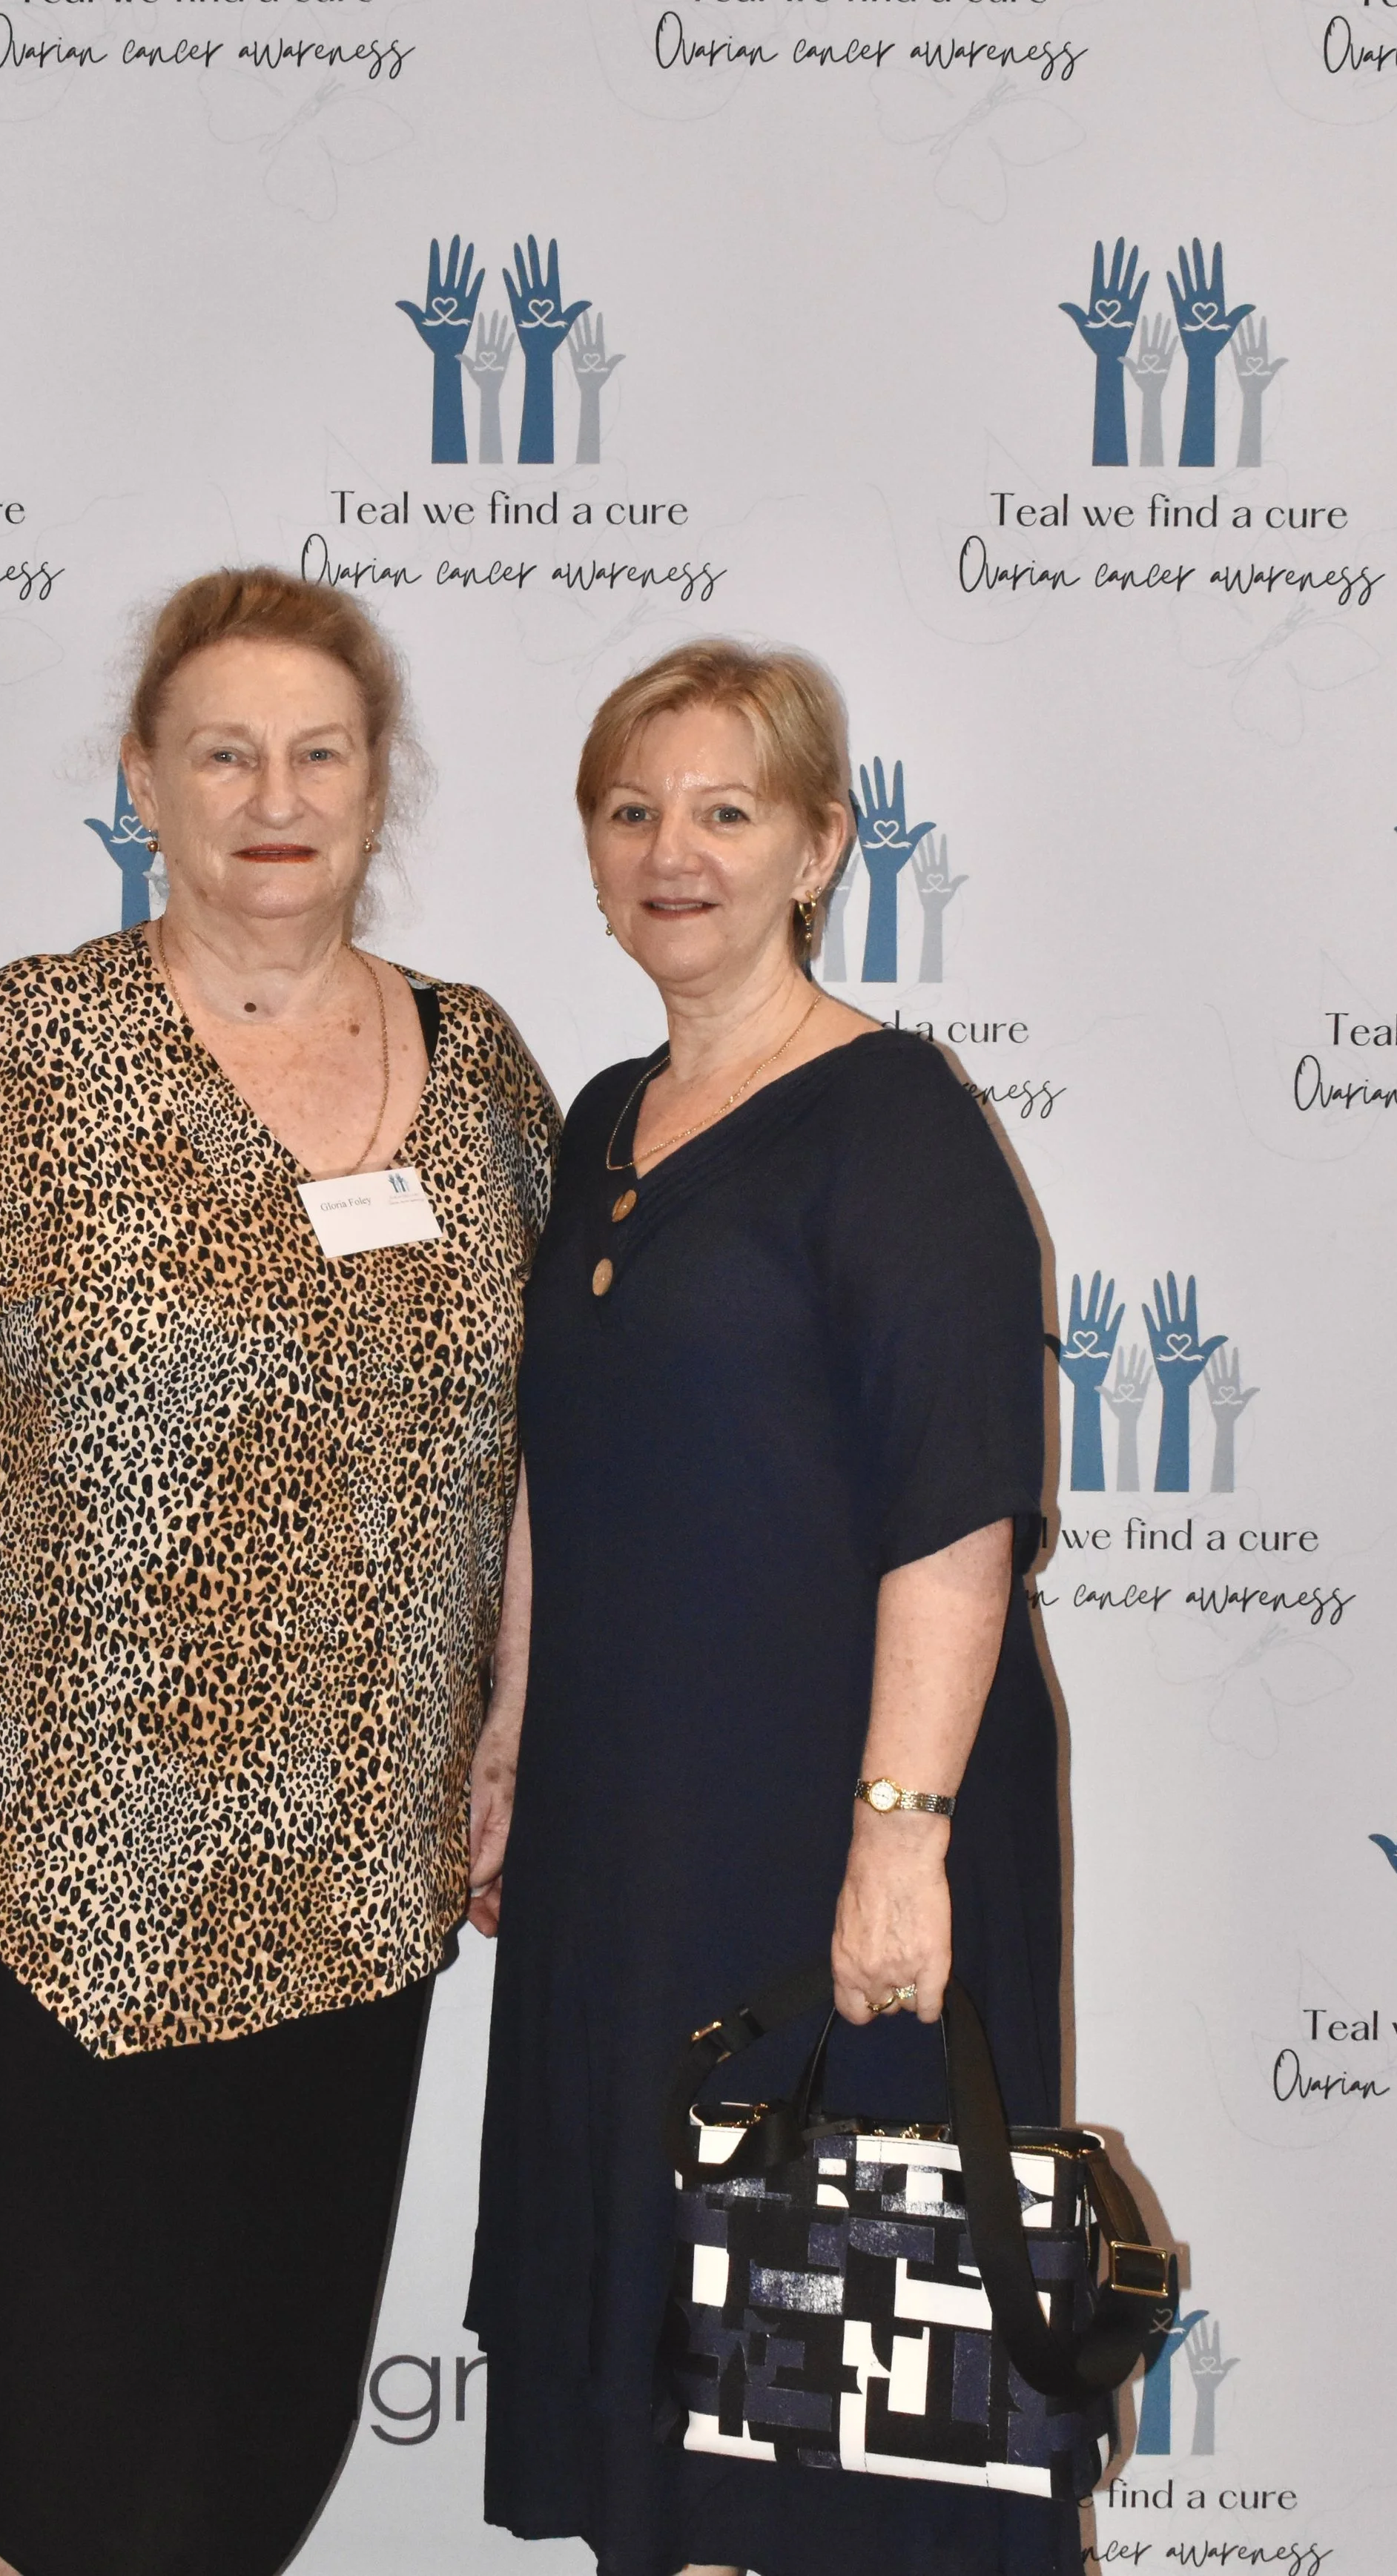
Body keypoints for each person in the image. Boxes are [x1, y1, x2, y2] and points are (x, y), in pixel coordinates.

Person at [0, 566, 558, 2576]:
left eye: (316, 752)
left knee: (241, 2439)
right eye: (223, 751)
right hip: (54, 1884)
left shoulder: (483, 1078)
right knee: (49, 2430)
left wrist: (513, 1724)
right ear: (144, 777)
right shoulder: (30, 1051)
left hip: (355, 1885)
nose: (270, 795)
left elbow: (538, 1436)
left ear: (378, 787)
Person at [469, 641, 1068, 2576]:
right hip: (621, 1833)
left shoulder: (892, 1119)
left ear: (820, 845)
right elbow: (566, 1464)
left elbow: (955, 1512)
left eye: (726, 811)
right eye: (630, 809)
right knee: (674, 2386)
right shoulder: (598, 1119)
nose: (672, 851)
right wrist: (507, 1733)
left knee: (837, 2405)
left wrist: (897, 1845)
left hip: (826, 1827)